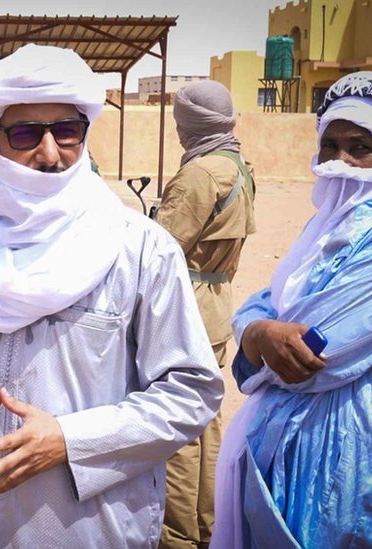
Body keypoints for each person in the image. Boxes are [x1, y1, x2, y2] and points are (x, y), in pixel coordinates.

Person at [0, 44, 223, 547]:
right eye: (24, 134)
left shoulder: (139, 248)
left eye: (66, 132)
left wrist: (71, 441)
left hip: (91, 526)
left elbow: (191, 388)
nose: (50, 153)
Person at [212, 72, 372, 548]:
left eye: (361, 147)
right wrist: (261, 330)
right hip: (292, 459)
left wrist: (259, 331)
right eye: (331, 145)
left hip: (348, 469)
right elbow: (271, 303)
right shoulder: (331, 225)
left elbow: (306, 358)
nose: (340, 162)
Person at [155, 80, 256, 549]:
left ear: (191, 124)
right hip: (216, 306)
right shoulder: (237, 165)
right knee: (206, 422)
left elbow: (162, 247)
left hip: (186, 306)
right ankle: (207, 527)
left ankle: (176, 536)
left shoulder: (199, 172)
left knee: (176, 428)